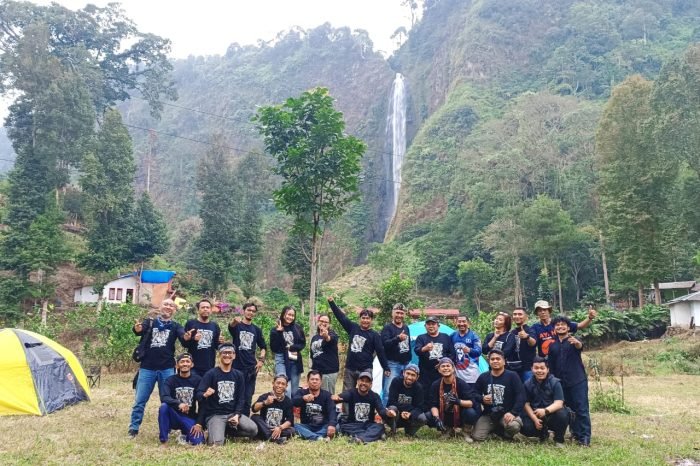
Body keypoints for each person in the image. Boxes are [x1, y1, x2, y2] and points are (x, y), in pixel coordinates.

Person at [129, 299, 190, 438]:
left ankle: (167, 427)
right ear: (160, 306)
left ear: (175, 310)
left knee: (167, 400)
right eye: (166, 304)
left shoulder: (176, 326)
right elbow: (139, 329)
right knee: (140, 400)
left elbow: (183, 337)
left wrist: (187, 337)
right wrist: (137, 329)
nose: (168, 307)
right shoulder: (150, 322)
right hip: (147, 368)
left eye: (171, 306)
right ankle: (133, 428)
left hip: (167, 369)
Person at [196, 343, 258, 445]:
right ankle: (216, 432)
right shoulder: (211, 374)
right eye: (224, 353)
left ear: (234, 355)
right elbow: (198, 394)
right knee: (217, 443)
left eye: (230, 353)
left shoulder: (238, 375)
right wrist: (205, 394)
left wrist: (237, 415)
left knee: (253, 430)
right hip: (215, 415)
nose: (227, 355)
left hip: (232, 414)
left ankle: (226, 432)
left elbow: (241, 398)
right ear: (219, 355)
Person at [327, 296, 390, 392]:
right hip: (350, 368)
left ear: (371, 320)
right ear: (360, 319)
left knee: (364, 394)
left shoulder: (374, 335)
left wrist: (386, 367)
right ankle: (347, 408)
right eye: (363, 318)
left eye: (368, 318)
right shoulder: (353, 328)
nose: (365, 320)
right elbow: (341, 317)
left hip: (365, 370)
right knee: (347, 394)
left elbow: (380, 352)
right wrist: (332, 303)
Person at [547, 315, 591, 446]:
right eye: (557, 325)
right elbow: (551, 365)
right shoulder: (553, 345)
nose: (560, 327)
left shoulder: (573, 340)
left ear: (568, 327)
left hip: (577, 380)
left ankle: (585, 437)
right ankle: (575, 433)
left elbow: (579, 346)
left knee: (582, 409)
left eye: (563, 325)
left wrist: (578, 344)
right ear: (554, 328)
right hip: (561, 383)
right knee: (569, 410)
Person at [472, 349, 525, 442]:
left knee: (514, 426)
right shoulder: (483, 377)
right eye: (492, 359)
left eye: (498, 359)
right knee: (477, 437)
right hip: (489, 414)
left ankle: (506, 435)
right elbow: (473, 393)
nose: (495, 361)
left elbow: (521, 396)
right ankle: (495, 430)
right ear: (489, 362)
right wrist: (482, 398)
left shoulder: (512, 376)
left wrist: (513, 412)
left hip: (507, 413)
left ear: (504, 361)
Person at [228, 302, 267, 415]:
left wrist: (261, 360)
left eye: (253, 311)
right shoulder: (237, 326)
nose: (250, 313)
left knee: (248, 395)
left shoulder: (256, 330)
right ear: (244, 311)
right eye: (249, 310)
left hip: (251, 367)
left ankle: (244, 419)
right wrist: (234, 321)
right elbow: (231, 326)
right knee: (234, 393)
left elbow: (263, 347)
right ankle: (232, 418)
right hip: (236, 366)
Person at [158, 353, 204, 446]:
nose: (185, 364)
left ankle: (184, 435)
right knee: (164, 407)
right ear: (177, 365)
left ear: (192, 364)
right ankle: (164, 440)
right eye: (182, 362)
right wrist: (178, 403)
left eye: (187, 361)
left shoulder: (198, 380)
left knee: (198, 442)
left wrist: (199, 423)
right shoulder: (170, 380)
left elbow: (202, 403)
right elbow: (164, 397)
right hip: (174, 415)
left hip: (189, 417)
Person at [428, 358, 480, 442]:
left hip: (460, 414)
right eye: (443, 366)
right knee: (429, 415)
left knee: (471, 412)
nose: (445, 368)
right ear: (439, 370)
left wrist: (458, 401)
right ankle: (446, 430)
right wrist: (437, 418)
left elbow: (471, 403)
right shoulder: (435, 385)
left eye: (448, 366)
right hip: (445, 413)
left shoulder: (461, 383)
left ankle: (466, 432)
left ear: (453, 368)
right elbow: (433, 405)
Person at [521, 356, 568, 446]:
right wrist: (534, 419)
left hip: (552, 414)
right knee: (525, 427)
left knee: (563, 414)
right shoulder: (527, 384)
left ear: (547, 369)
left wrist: (545, 411)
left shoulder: (555, 382)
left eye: (542, 368)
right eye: (536, 368)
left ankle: (559, 439)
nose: (539, 371)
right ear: (532, 369)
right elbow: (526, 404)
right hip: (536, 414)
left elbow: (559, 403)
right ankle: (543, 434)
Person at [332, 371, 388, 444]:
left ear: (371, 384)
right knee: (341, 427)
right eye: (362, 380)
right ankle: (373, 436)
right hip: (353, 424)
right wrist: (336, 398)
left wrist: (388, 413)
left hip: (367, 424)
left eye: (367, 381)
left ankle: (360, 439)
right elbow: (341, 397)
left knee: (380, 426)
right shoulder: (351, 392)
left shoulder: (374, 396)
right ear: (358, 381)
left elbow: (381, 411)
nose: (364, 383)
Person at [531, 300, 596, 357]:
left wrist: (590, 318)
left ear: (549, 311)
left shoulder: (559, 323)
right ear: (537, 313)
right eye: (540, 311)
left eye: (545, 310)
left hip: (561, 357)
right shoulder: (535, 327)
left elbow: (580, 326)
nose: (542, 312)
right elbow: (532, 342)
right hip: (545, 361)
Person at [414, 316, 454, 401]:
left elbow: (452, 354)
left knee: (442, 393)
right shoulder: (421, 338)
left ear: (438, 326)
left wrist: (444, 363)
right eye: (428, 324)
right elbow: (417, 351)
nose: (431, 326)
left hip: (442, 373)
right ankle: (427, 411)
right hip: (425, 373)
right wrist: (425, 348)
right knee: (425, 394)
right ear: (425, 326)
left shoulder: (445, 337)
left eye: (433, 324)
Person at [269, 306, 305, 397]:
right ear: (284, 314)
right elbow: (274, 348)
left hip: (295, 360)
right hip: (281, 359)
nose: (291, 317)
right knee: (286, 389)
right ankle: (285, 410)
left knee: (294, 391)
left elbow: (302, 343)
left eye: (293, 315)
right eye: (289, 314)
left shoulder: (297, 328)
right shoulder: (275, 330)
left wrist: (292, 347)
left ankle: (291, 408)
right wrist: (279, 333)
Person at [380, 303, 412, 406]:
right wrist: (397, 338)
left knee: (404, 390)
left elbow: (408, 345)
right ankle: (385, 415)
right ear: (392, 313)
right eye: (397, 313)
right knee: (388, 390)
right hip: (392, 364)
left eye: (402, 313)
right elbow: (384, 345)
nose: (399, 315)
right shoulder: (387, 328)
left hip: (406, 364)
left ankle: (400, 412)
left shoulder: (406, 328)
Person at [184, 299, 225, 377]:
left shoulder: (215, 326)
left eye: (207, 307)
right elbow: (185, 344)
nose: (205, 309)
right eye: (203, 307)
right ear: (198, 310)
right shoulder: (190, 323)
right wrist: (193, 339)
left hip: (209, 366)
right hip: (193, 366)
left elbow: (217, 346)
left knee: (206, 389)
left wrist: (221, 342)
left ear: (211, 310)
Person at [293, 370, 338, 441]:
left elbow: (332, 411)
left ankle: (310, 436)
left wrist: (331, 425)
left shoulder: (327, 395)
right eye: (312, 379)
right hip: (307, 426)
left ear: (321, 382)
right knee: (294, 426)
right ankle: (318, 438)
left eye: (317, 379)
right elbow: (293, 402)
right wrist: (303, 398)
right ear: (308, 381)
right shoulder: (302, 392)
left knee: (336, 426)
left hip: (323, 426)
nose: (314, 381)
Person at [251, 375, 295, 444]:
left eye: (283, 384)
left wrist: (280, 428)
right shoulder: (265, 396)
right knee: (254, 417)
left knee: (292, 430)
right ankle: (273, 438)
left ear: (286, 386)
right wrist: (265, 403)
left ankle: (267, 436)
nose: (280, 386)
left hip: (278, 428)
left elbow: (290, 420)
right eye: (278, 383)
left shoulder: (288, 401)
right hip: (264, 426)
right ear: (273, 383)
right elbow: (254, 409)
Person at [385, 364, 426, 437]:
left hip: (408, 416)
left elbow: (420, 407)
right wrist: (406, 409)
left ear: (417, 377)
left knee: (422, 418)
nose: (409, 377)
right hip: (396, 414)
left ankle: (409, 433)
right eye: (408, 373)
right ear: (403, 373)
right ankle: (392, 431)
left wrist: (410, 414)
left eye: (413, 375)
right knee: (392, 408)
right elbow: (391, 401)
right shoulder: (396, 381)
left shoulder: (419, 388)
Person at [310, 314, 340, 394]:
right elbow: (312, 355)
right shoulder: (315, 337)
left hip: (328, 372)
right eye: (321, 321)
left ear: (329, 324)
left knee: (328, 396)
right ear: (318, 322)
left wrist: (326, 336)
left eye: (326, 322)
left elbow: (330, 339)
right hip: (317, 372)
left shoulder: (333, 334)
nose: (323, 323)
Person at [451, 315, 482, 386]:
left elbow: (479, 352)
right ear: (456, 323)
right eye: (459, 321)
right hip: (457, 373)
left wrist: (469, 350)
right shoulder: (453, 335)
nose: (461, 324)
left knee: (471, 395)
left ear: (468, 323)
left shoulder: (474, 336)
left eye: (464, 321)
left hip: (471, 373)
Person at [510, 307, 537, 382]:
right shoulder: (512, 332)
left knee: (529, 390)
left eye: (520, 314)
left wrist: (527, 337)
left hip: (527, 369)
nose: (517, 316)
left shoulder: (530, 330)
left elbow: (533, 343)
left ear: (526, 317)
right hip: (514, 368)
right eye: (515, 314)